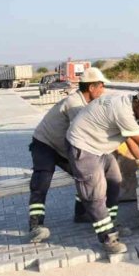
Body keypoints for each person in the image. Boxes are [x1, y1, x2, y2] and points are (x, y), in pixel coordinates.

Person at [66, 89, 139, 254]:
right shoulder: (123, 111)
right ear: (137, 103)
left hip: (100, 148)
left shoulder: (127, 103)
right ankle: (108, 238)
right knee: (94, 194)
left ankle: (111, 222)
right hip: (83, 147)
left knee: (115, 181)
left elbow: (130, 137)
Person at [27, 67, 108, 243]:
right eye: (101, 86)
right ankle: (36, 226)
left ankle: (81, 214)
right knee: (42, 181)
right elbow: (86, 133)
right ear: (92, 87)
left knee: (85, 176)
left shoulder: (86, 103)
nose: (103, 90)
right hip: (45, 143)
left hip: (63, 147)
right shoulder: (75, 104)